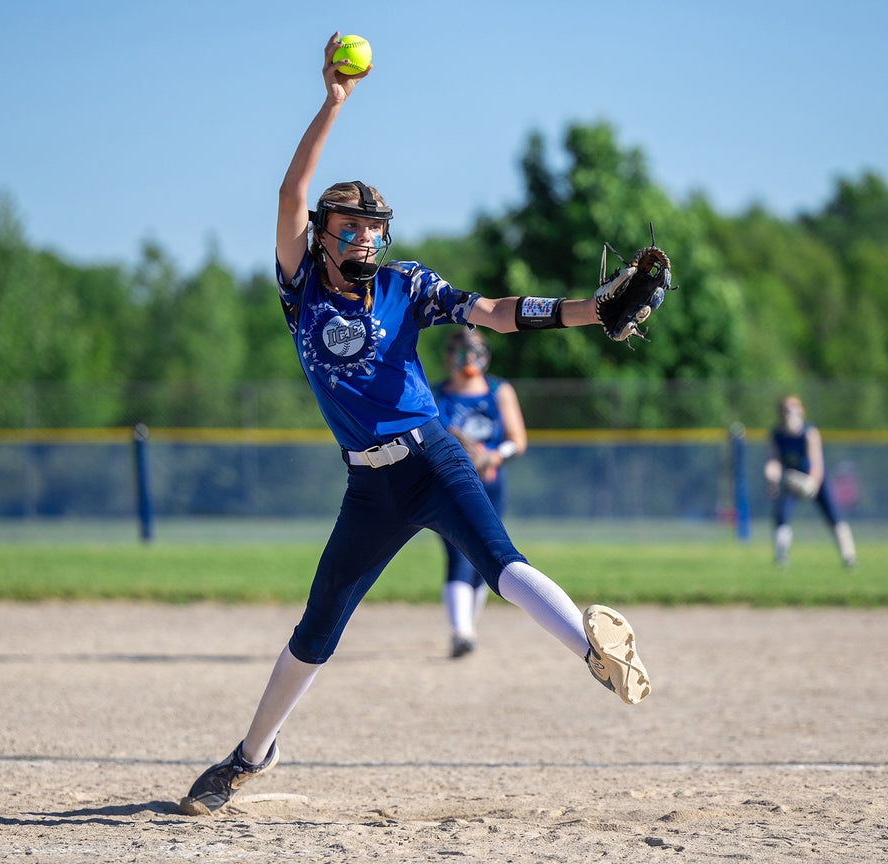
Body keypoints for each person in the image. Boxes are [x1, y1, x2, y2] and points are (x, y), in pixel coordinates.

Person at [178, 33, 652, 816]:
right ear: (323, 235)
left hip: (433, 456)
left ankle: (592, 649)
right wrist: (331, 105)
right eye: (349, 227)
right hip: (368, 486)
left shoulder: (408, 285)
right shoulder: (303, 292)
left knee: (500, 562)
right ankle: (247, 757)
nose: (363, 236)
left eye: (372, 226)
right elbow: (290, 196)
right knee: (318, 625)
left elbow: (493, 314)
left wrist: (588, 311)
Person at [432, 329, 527, 658]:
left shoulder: (499, 390)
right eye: (461, 352)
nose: (468, 359)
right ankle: (461, 631)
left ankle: (466, 628)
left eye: (474, 352)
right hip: (450, 484)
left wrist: (493, 455)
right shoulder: (437, 395)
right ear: (449, 355)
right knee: (459, 552)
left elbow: (517, 439)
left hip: (489, 482)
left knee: (485, 555)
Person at [764, 394, 857, 568]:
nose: (790, 413)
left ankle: (849, 557)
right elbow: (774, 461)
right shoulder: (776, 434)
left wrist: (812, 482)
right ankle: (781, 558)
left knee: (834, 516)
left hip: (815, 479)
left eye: (793, 409)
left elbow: (816, 463)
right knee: (781, 516)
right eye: (786, 409)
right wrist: (771, 476)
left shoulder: (809, 432)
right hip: (791, 480)